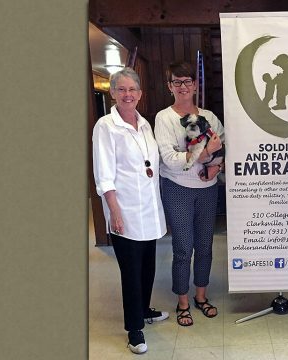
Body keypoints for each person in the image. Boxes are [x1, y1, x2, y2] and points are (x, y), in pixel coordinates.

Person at [92, 67, 169, 354]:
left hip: (149, 208)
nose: (127, 94)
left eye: (132, 90)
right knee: (131, 270)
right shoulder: (105, 126)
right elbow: (104, 174)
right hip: (124, 209)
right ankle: (134, 328)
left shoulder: (145, 123)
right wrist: (115, 211)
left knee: (148, 263)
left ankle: (145, 309)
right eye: (121, 89)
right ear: (112, 93)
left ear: (140, 94)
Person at [154, 61, 224, 326]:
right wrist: (205, 153)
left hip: (207, 189)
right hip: (178, 189)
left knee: (205, 247)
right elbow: (171, 159)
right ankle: (182, 302)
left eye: (187, 81)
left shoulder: (209, 117)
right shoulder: (165, 117)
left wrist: (215, 166)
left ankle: (201, 296)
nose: (182, 86)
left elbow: (223, 146)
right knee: (183, 248)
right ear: (170, 86)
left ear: (195, 84)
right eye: (177, 82)